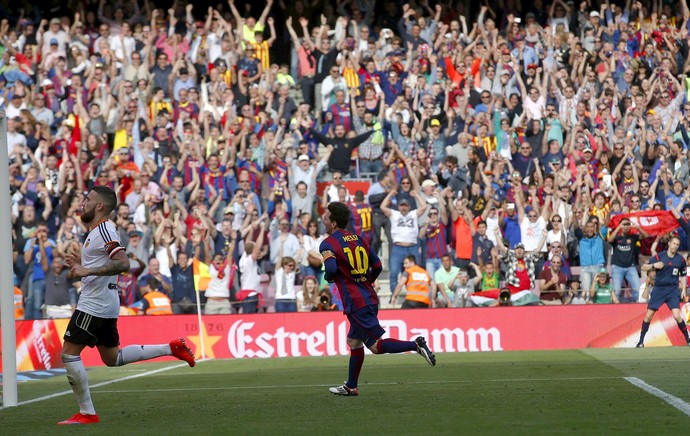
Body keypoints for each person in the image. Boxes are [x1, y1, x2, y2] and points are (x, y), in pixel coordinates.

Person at [60, 186, 195, 425]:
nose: (83, 203)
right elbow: (105, 263)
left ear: (99, 206)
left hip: (94, 303)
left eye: (88, 199)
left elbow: (123, 264)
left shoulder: (103, 229)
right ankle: (171, 348)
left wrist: (87, 269)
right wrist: (83, 263)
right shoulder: (97, 231)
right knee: (113, 358)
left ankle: (87, 413)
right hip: (105, 302)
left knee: (69, 353)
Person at [320, 202, 435, 396]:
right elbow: (378, 265)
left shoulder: (328, 243)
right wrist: (366, 281)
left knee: (375, 346)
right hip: (368, 296)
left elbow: (331, 270)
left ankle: (416, 345)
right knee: (353, 342)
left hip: (355, 301)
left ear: (333, 223)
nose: (323, 218)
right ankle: (351, 386)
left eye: (325, 216)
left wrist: (330, 278)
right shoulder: (360, 239)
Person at [636, 236, 690, 348]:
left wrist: (684, 289)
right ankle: (640, 341)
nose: (675, 246)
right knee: (649, 316)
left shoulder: (680, 260)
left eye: (677, 245)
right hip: (659, 289)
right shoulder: (659, 256)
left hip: (672, 290)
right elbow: (644, 267)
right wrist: (653, 265)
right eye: (674, 243)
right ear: (669, 243)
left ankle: (687, 339)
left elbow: (683, 276)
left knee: (676, 316)